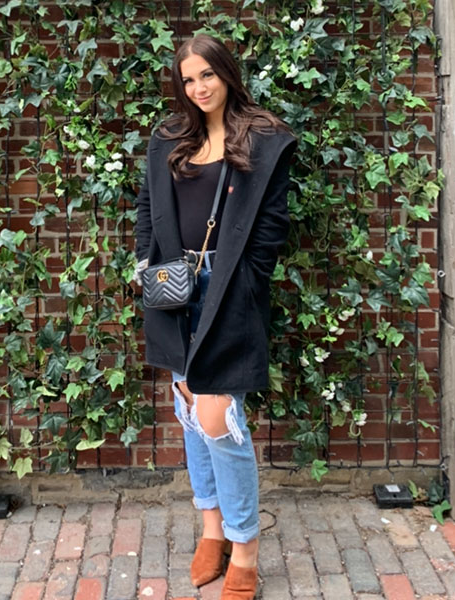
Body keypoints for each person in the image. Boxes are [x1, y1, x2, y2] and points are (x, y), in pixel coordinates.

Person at [132, 33, 297, 600]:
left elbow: (271, 224)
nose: (199, 87)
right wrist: (143, 263)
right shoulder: (171, 138)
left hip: (229, 288)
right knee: (186, 406)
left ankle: (245, 547)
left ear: (227, 73)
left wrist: (249, 275)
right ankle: (212, 530)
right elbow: (148, 207)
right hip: (174, 286)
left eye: (208, 74)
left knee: (217, 418)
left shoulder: (263, 139)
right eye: (189, 79)